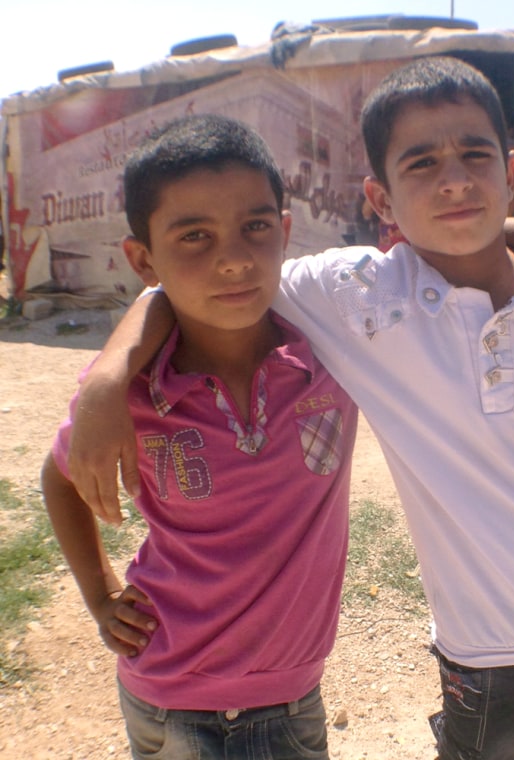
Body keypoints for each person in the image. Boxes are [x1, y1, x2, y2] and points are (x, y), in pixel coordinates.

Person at [64, 57, 514, 760]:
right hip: (482, 648)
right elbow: (190, 279)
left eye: (476, 156)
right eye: (422, 163)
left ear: (512, 168)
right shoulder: (358, 296)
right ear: (379, 199)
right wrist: (108, 376)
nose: (455, 180)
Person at [41, 114, 358, 759]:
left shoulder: (333, 346)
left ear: (286, 230)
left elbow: (435, 247)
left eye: (256, 227)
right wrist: (100, 596)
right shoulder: (134, 395)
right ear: (142, 258)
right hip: (167, 696)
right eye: (194, 236)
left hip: (293, 697)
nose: (235, 258)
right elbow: (58, 476)